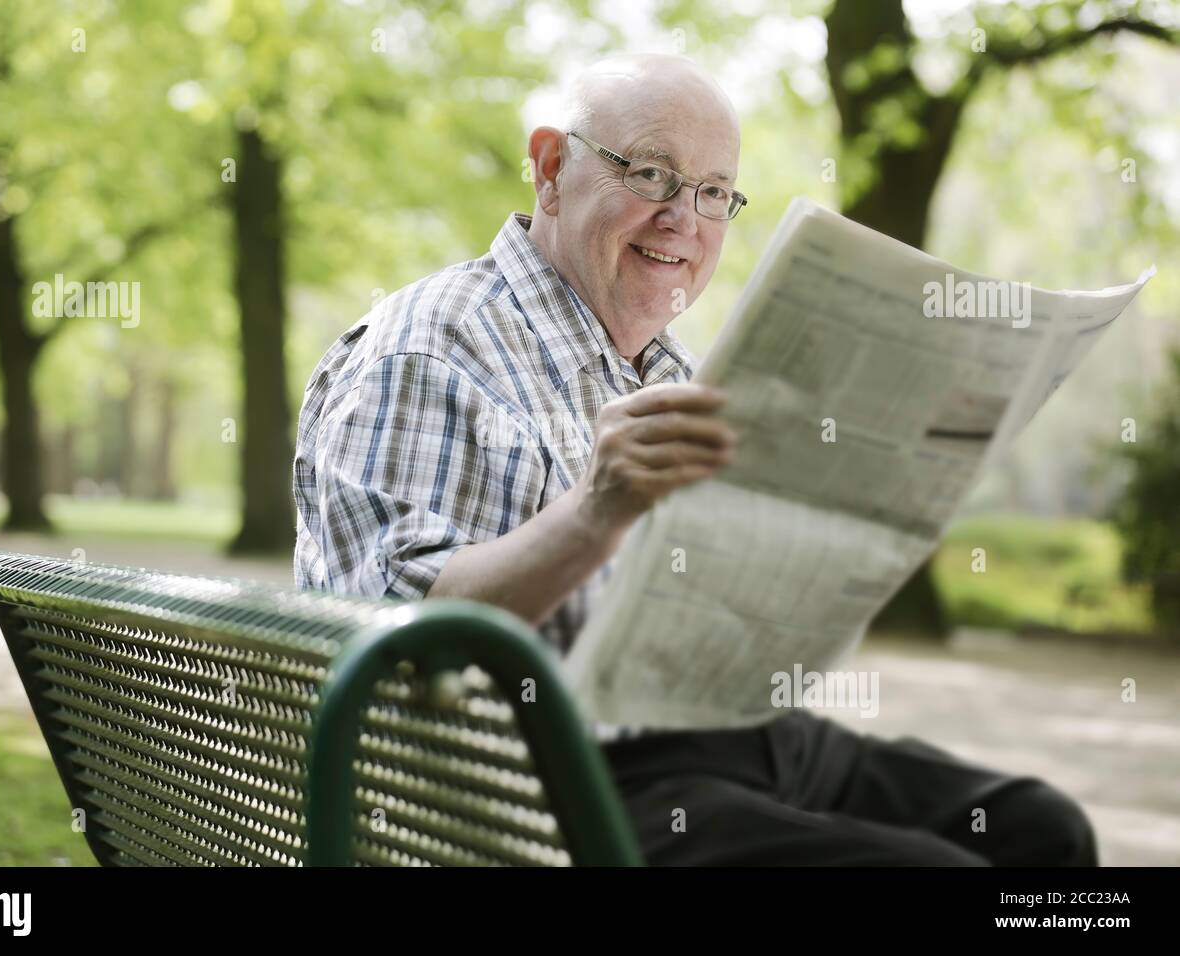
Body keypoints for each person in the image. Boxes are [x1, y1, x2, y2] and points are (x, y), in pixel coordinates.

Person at [293, 53, 1097, 866]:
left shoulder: (671, 369)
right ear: (549, 169)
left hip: (721, 734)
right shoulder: (433, 346)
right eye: (651, 174)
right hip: (543, 785)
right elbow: (394, 639)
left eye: (715, 192)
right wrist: (597, 511)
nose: (686, 217)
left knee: (1041, 829)